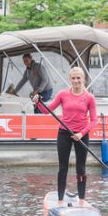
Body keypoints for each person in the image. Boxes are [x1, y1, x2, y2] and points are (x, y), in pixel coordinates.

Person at [34, 66, 97, 207]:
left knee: (81, 168)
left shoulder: (89, 98)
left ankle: (81, 200)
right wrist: (38, 102)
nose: (76, 81)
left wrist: (81, 134)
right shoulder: (63, 94)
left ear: (83, 79)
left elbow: (94, 121)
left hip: (82, 134)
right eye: (73, 78)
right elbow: (46, 110)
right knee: (63, 168)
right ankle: (60, 200)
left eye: (79, 78)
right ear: (70, 80)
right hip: (64, 133)